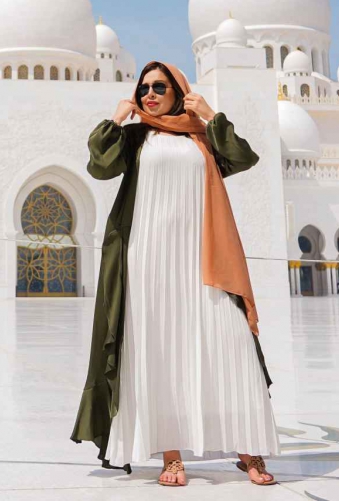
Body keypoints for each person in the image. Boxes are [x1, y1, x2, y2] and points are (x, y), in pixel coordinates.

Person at [71, 61, 279, 487]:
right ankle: (171, 456)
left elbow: (243, 157)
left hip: (203, 258)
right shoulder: (136, 136)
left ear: (179, 92)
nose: (149, 93)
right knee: (159, 351)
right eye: (144, 87)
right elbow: (100, 166)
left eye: (159, 86)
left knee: (230, 344)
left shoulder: (203, 135)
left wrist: (210, 116)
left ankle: (248, 449)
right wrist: (116, 118)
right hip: (148, 260)